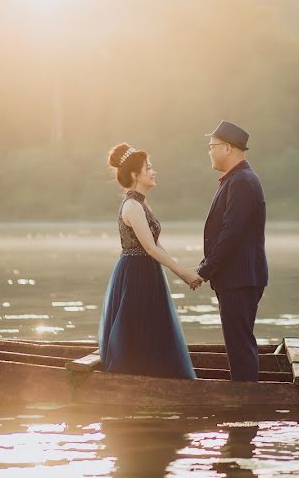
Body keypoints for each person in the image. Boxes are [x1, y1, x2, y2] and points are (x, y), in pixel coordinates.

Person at [98, 143, 203, 379]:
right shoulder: (132, 206)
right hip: (135, 275)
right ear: (135, 174)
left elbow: (155, 243)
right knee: (137, 330)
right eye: (149, 168)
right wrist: (182, 273)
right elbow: (149, 247)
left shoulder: (141, 204)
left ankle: (155, 379)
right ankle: (133, 382)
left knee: (153, 330)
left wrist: (182, 268)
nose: (153, 172)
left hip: (147, 271)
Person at [196, 121, 268, 381]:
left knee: (239, 344)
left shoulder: (242, 182)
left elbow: (231, 234)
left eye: (212, 147)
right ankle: (244, 395)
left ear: (227, 148)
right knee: (239, 342)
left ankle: (245, 403)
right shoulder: (235, 180)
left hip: (240, 278)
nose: (210, 152)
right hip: (235, 278)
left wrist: (204, 271)